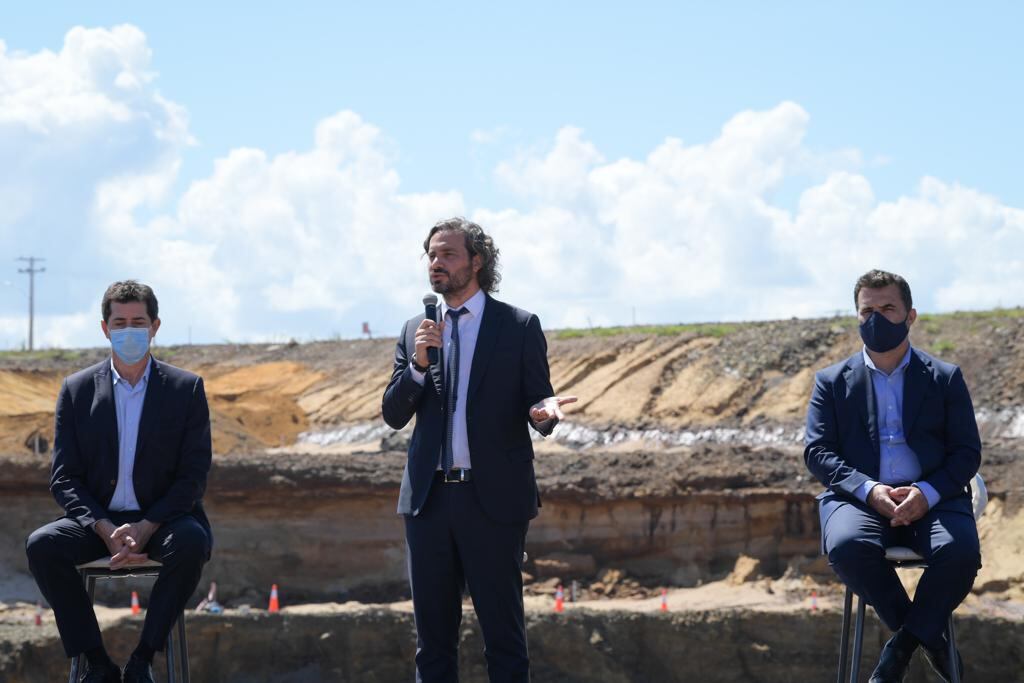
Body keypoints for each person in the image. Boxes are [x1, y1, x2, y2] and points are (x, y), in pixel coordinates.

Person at [382, 217, 576, 682]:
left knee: (504, 641)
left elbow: (539, 401)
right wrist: (416, 366)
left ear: (477, 261)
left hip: (492, 501)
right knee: (432, 645)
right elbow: (393, 413)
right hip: (428, 503)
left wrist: (543, 415)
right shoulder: (416, 329)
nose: (436, 263)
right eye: (431, 254)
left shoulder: (517, 326)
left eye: (448, 254)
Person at [25, 280, 213, 683]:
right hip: (98, 522)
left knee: (192, 543)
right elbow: (64, 478)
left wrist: (148, 525)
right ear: (105, 328)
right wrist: (105, 527)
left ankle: (143, 659)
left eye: (138, 322)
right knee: (42, 545)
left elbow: (193, 475)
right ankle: (97, 663)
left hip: (162, 519)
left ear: (155, 326)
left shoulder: (186, 389)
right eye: (121, 322)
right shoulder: (76, 390)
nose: (130, 330)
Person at [804, 269, 981, 683]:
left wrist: (927, 491)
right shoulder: (830, 382)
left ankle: (897, 654)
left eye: (887, 308)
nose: (876, 318)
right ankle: (931, 640)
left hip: (934, 499)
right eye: (868, 310)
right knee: (847, 547)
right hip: (859, 500)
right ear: (856, 316)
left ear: (910, 315)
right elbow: (817, 451)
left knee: (960, 553)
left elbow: (967, 452)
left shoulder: (945, 377)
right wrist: (869, 490)